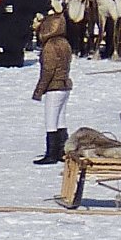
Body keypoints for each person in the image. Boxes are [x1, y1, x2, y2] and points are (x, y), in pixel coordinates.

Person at [31, 12, 73, 165]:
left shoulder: (50, 46)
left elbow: (47, 71)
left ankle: (51, 153)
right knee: (61, 119)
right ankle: (62, 150)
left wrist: (38, 91)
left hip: (54, 87)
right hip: (65, 85)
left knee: (51, 121)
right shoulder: (65, 43)